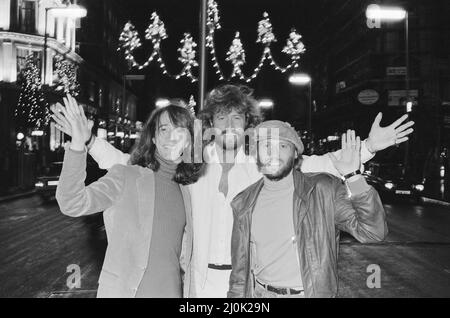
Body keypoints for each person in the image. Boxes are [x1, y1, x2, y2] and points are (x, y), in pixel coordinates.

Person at [51, 84, 414, 298]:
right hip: (196, 279)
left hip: (245, 284)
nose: (228, 124)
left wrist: (368, 147)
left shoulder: (262, 161)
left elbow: (322, 162)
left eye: (237, 118)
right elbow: (129, 166)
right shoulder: (190, 164)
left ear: (247, 125)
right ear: (209, 124)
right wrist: (86, 142)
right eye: (220, 117)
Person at [54, 94, 203, 298]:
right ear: (153, 137)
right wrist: (79, 144)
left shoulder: (186, 190)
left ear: (190, 141)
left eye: (179, 130)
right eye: (164, 129)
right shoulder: (127, 176)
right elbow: (72, 203)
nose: (171, 137)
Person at [228, 121, 387, 298]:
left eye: (282, 145)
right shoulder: (243, 203)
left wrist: (353, 177)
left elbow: (373, 231)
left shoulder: (323, 190)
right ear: (256, 153)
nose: (274, 153)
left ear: (295, 153)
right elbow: (239, 273)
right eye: (266, 145)